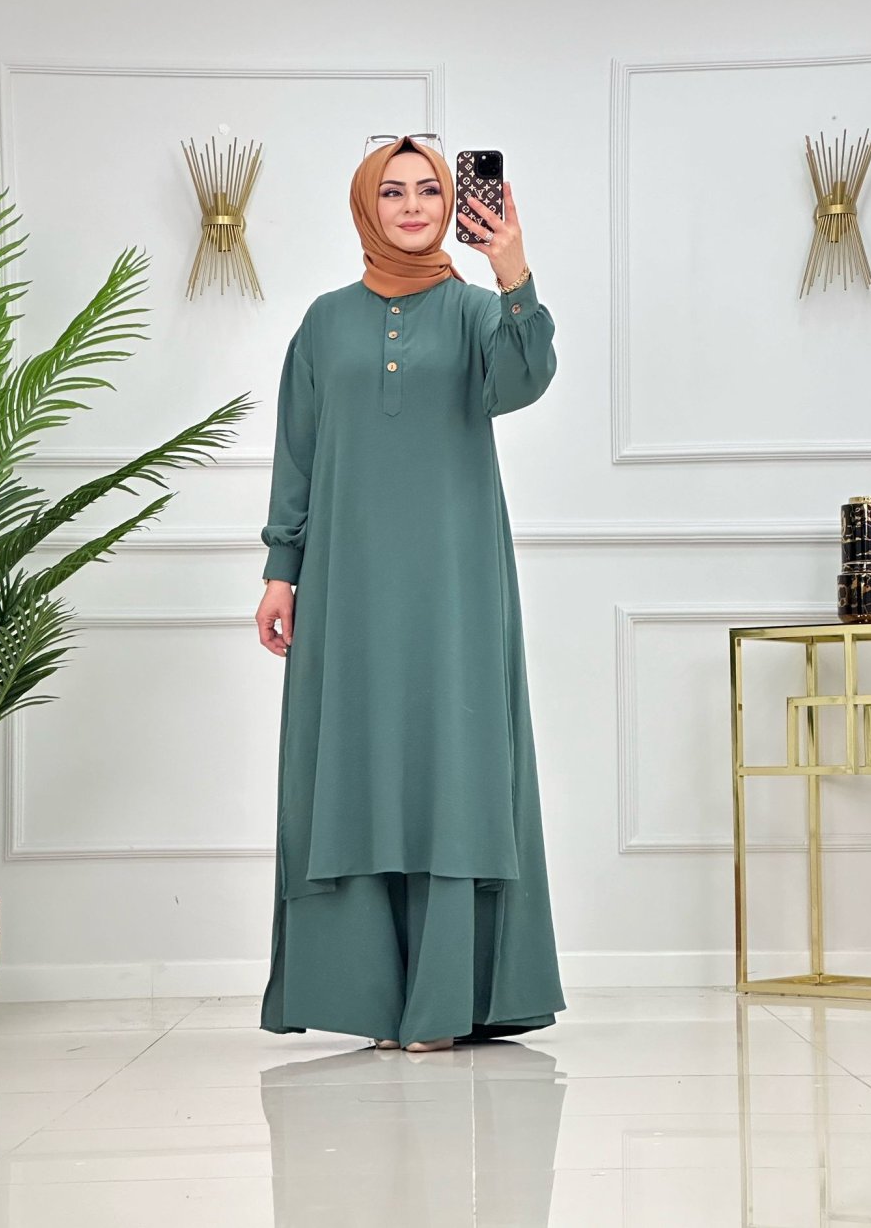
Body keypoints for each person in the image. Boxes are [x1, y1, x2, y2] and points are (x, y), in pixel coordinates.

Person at [254, 134, 565, 1053]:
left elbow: (525, 380)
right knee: (353, 760)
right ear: (367, 206)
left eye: (430, 189)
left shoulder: (476, 312)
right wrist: (281, 569)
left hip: (454, 582)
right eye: (392, 191)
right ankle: (370, 998)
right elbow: (298, 450)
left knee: (450, 762)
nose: (415, 205)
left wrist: (512, 268)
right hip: (345, 581)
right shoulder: (324, 323)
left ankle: (444, 998)